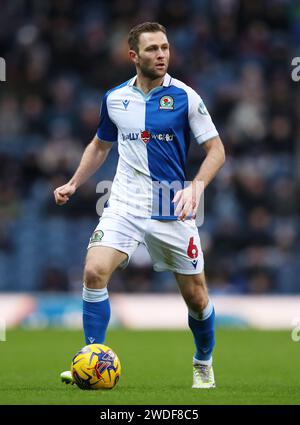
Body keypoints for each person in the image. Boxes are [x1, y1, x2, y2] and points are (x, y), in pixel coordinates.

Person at [55, 22, 225, 389]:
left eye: (165, 47)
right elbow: (100, 145)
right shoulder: (115, 98)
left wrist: (195, 187)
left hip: (171, 205)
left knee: (196, 298)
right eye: (152, 49)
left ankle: (202, 361)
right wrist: (73, 182)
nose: (161, 54)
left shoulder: (186, 97)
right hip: (124, 202)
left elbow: (217, 150)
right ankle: (91, 361)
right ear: (134, 56)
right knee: (93, 272)